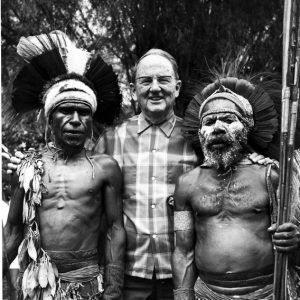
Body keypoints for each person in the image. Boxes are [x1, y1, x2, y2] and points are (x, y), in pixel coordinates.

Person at [6, 48, 271, 299]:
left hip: (182, 273)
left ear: (177, 87)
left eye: (163, 80)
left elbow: (229, 170)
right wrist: (31, 163)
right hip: (130, 274)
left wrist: (254, 157)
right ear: (133, 90)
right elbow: (73, 173)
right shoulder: (112, 139)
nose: (155, 88)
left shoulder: (199, 138)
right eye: (146, 81)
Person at [3, 31, 125, 299]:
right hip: (37, 284)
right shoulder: (28, 167)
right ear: (50, 119)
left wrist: (114, 288)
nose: (74, 119)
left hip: (86, 283)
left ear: (92, 121)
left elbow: (115, 229)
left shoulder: (105, 168)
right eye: (65, 110)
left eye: (83, 112)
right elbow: (12, 228)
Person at [172, 77, 300, 299]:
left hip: (266, 292)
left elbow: (293, 238)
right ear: (200, 132)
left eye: (228, 120)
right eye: (209, 123)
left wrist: (295, 239)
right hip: (207, 293)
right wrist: (182, 294)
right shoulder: (187, 184)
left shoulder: (272, 176)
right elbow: (183, 250)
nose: (218, 128)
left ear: (247, 126)